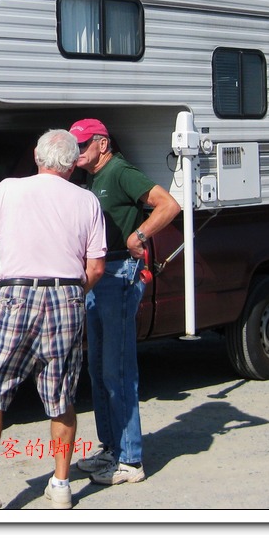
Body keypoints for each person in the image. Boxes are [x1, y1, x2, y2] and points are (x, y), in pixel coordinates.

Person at [0, 129, 107, 511]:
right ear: (73, 163)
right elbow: (95, 266)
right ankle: (61, 485)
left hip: (15, 294)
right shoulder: (87, 200)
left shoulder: (10, 188)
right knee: (61, 394)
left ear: (36, 156)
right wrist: (74, 291)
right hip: (66, 296)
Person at [68, 117, 181, 486]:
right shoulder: (92, 178)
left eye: (83, 144)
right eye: (75, 146)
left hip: (119, 275)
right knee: (98, 368)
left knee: (118, 370)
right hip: (100, 275)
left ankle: (130, 460)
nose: (78, 151)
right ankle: (111, 448)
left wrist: (140, 233)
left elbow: (168, 205)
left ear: (102, 143)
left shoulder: (119, 172)